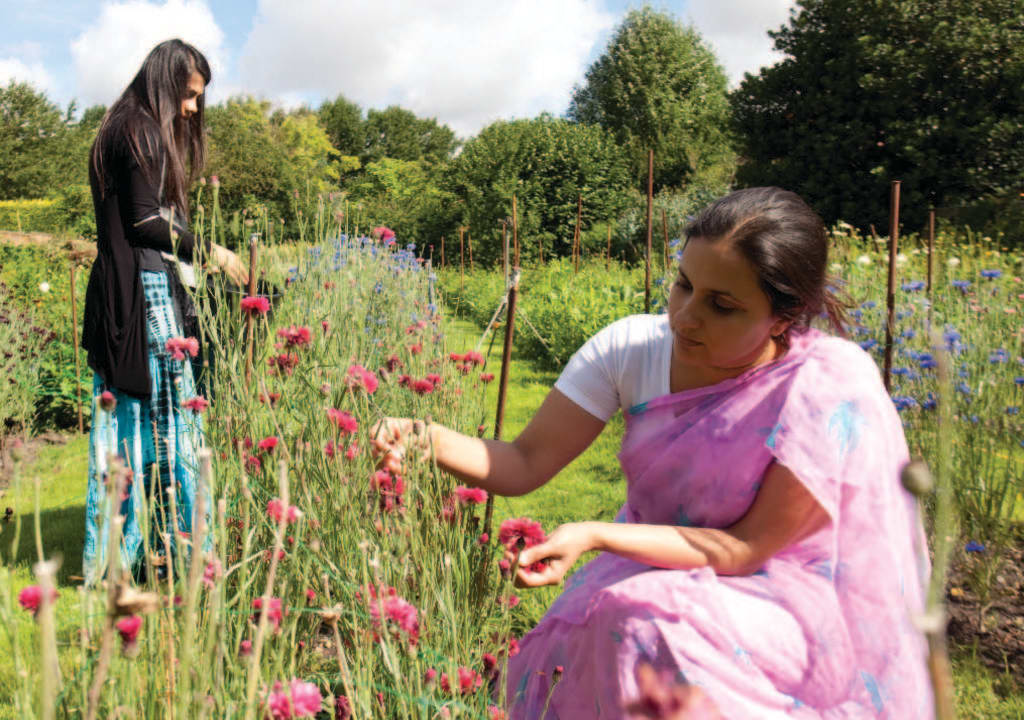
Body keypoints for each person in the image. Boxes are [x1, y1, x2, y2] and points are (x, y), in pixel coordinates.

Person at [372, 187, 933, 718]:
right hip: (655, 571)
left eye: (723, 305)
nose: (686, 315)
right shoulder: (630, 351)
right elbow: (523, 462)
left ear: (782, 318)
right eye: (683, 284)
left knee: (643, 621)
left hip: (781, 599)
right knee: (627, 618)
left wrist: (596, 535)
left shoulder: (824, 388)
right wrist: (425, 438)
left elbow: (743, 547)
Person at [81, 39, 247, 585]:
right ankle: (185, 549)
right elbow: (144, 221)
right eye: (189, 95)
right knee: (177, 422)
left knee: (125, 428)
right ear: (166, 81)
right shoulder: (140, 129)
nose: (193, 109)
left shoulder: (118, 126)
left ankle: (115, 560)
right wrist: (213, 253)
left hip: (120, 290)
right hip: (144, 291)